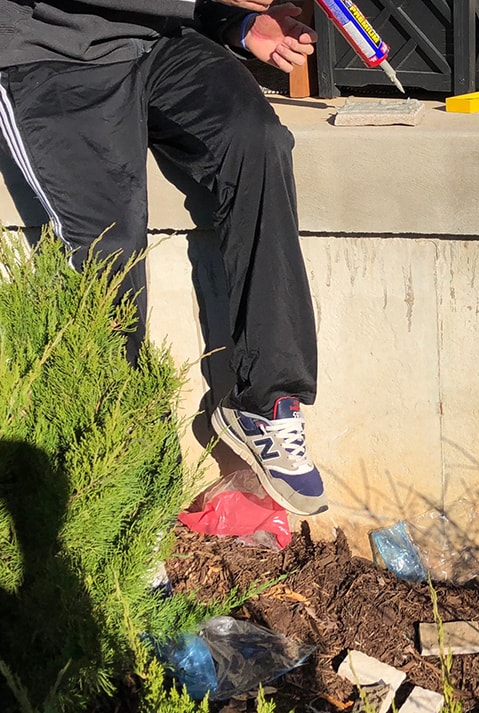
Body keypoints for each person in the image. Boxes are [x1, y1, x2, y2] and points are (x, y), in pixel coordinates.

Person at [0, 0, 328, 516]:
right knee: (107, 247)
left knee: (257, 142)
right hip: (48, 58)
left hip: (159, 43)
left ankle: (267, 401)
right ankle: (123, 482)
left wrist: (239, 24)